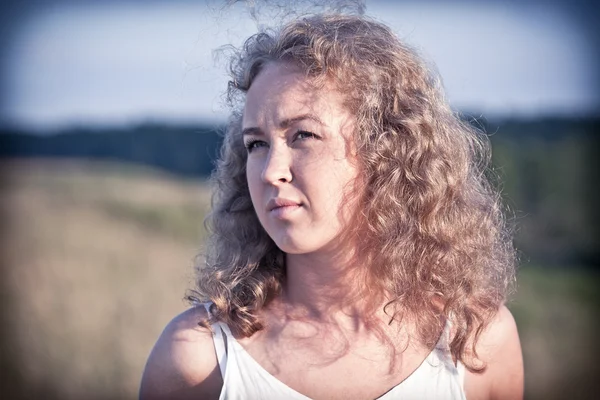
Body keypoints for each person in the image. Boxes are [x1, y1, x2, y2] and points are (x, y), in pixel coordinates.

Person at [140, 12, 523, 400]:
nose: (271, 171)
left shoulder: (474, 343)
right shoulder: (201, 359)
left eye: (303, 135)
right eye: (257, 143)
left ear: (385, 151)